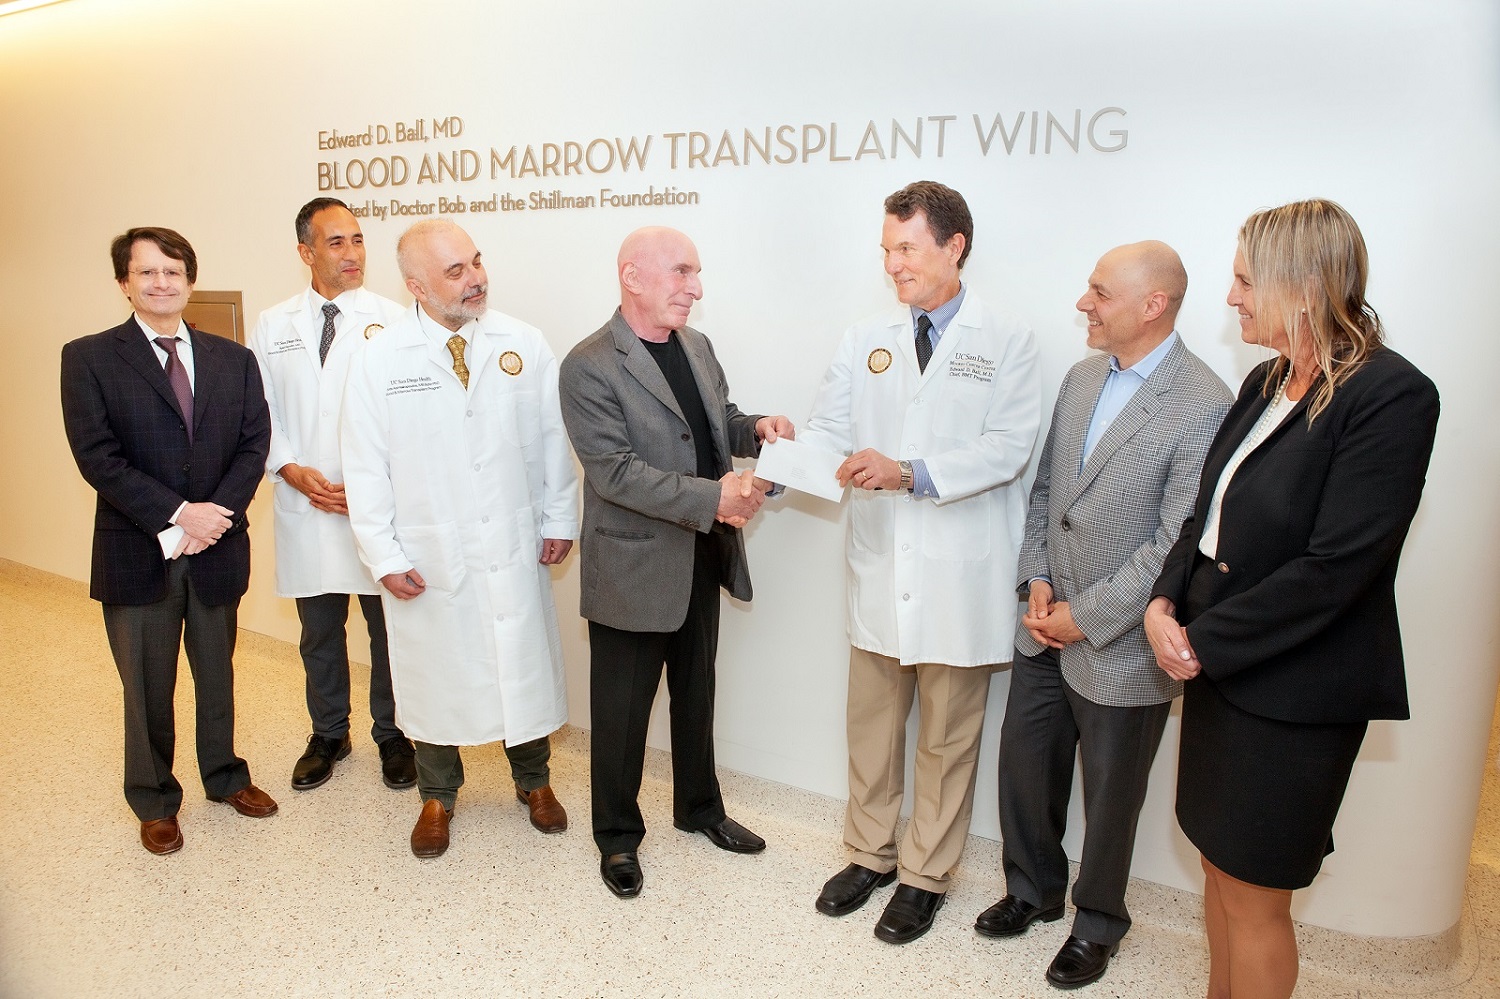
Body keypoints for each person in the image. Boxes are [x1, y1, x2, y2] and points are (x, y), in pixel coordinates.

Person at [1144, 199, 1439, 999]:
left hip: (1294, 688)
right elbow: (1203, 515)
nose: (1232, 298)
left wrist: (1204, 639)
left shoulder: (1390, 395)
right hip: (1217, 663)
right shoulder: (1266, 379)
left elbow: (1339, 567)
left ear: (1302, 285)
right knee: (1217, 865)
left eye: (1244, 281)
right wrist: (1163, 603)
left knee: (1258, 893)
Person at [976, 242, 1230, 988]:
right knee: (1025, 766)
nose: (1084, 304)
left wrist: (1086, 617)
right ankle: (1031, 889)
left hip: (1119, 643)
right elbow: (1048, 493)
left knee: (1112, 794)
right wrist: (1037, 579)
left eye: (1099, 292)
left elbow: (1173, 543)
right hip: (1045, 626)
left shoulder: (1204, 402)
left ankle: (1097, 923)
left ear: (1153, 305)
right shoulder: (1082, 376)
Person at [798, 181, 1041, 943]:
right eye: (886, 250)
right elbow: (830, 427)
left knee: (946, 735)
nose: (893, 264)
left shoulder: (1008, 340)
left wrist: (909, 472)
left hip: (960, 570)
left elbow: (1006, 449)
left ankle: (925, 874)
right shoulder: (863, 337)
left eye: (907, 248)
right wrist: (785, 455)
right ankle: (868, 853)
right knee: (871, 725)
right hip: (880, 565)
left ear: (953, 246)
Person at [558, 226, 794, 899]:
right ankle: (617, 836)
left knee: (697, 695)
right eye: (681, 272)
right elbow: (616, 474)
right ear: (631, 275)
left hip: (700, 556)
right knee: (623, 713)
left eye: (696, 273)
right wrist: (716, 497)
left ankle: (699, 809)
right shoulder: (589, 364)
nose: (695, 287)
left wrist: (757, 429)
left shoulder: (697, 345)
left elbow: (716, 417)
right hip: (634, 569)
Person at [340, 219, 579, 858]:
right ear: (416, 286)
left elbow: (553, 444)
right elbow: (365, 469)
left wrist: (559, 518)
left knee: (518, 665)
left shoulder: (522, 345)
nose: (475, 278)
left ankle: (535, 783)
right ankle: (438, 795)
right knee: (434, 678)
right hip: (428, 553)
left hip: (510, 544)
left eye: (476, 262)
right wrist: (383, 554)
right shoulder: (379, 359)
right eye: (455, 271)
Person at [60, 227, 277, 855]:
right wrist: (181, 514)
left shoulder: (232, 359)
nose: (162, 283)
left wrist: (218, 516)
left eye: (174, 271)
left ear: (190, 280)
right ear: (124, 282)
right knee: (146, 686)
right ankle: (154, 798)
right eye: (147, 272)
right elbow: (97, 456)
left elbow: (253, 445)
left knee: (218, 674)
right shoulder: (90, 357)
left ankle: (225, 776)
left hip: (216, 549)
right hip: (138, 551)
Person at [248, 197, 415, 793]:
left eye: (358, 240)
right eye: (337, 243)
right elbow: (260, 409)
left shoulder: (394, 318)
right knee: (319, 629)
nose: (352, 253)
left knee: (385, 626)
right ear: (306, 252)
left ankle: (394, 734)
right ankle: (329, 732)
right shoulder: (274, 323)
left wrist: (365, 485)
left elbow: (403, 415)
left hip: (368, 502)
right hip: (304, 498)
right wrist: (287, 466)